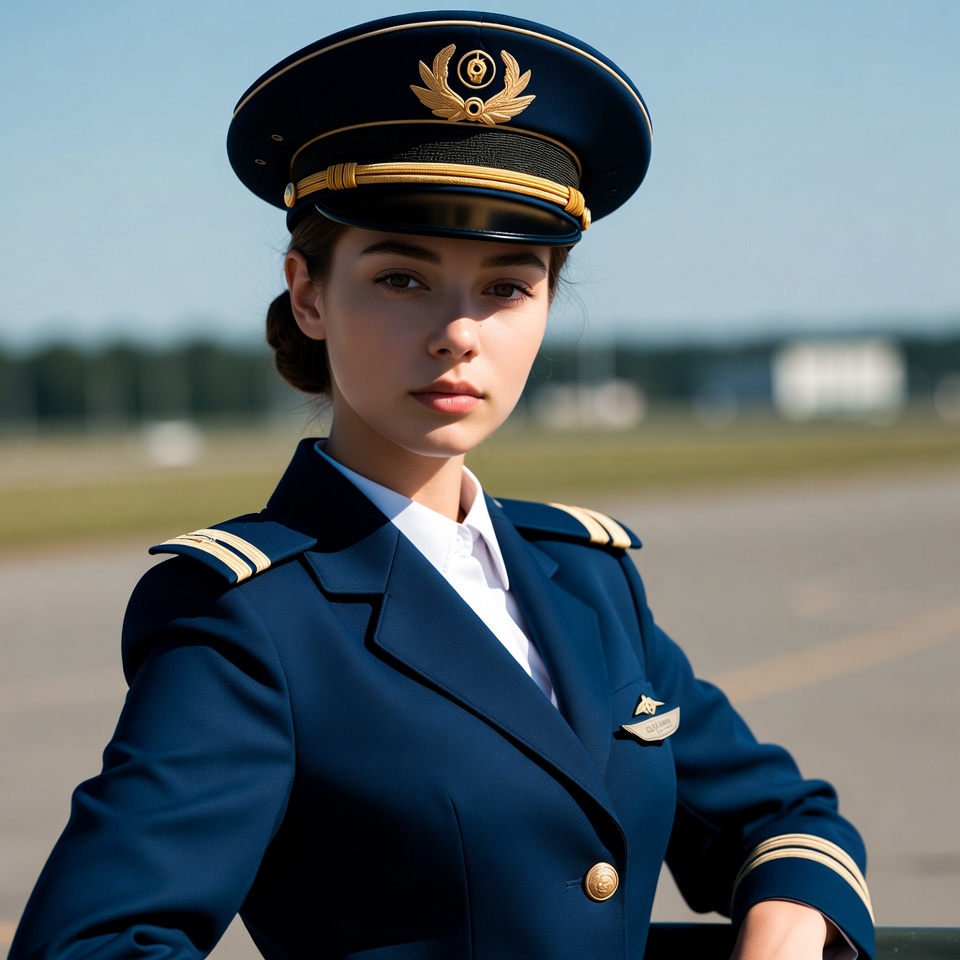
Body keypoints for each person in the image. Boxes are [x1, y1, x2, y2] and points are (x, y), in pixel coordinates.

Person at [11, 11, 874, 960]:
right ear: (308, 293)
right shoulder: (251, 620)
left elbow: (785, 817)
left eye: (507, 286)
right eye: (402, 279)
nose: (459, 333)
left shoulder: (587, 580)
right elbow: (89, 945)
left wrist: (786, 923)